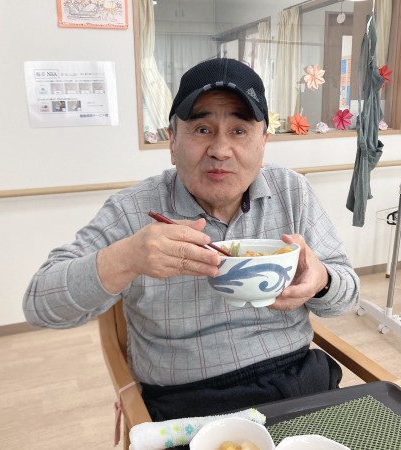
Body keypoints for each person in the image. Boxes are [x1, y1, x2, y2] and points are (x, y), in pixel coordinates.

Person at [23, 58, 359, 421]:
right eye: (202, 129)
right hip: (188, 404)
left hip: (297, 384)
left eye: (239, 131)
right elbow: (41, 305)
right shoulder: (131, 210)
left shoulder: (292, 191)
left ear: (263, 143)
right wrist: (127, 258)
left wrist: (322, 281)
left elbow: (347, 296)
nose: (220, 150)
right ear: (172, 142)